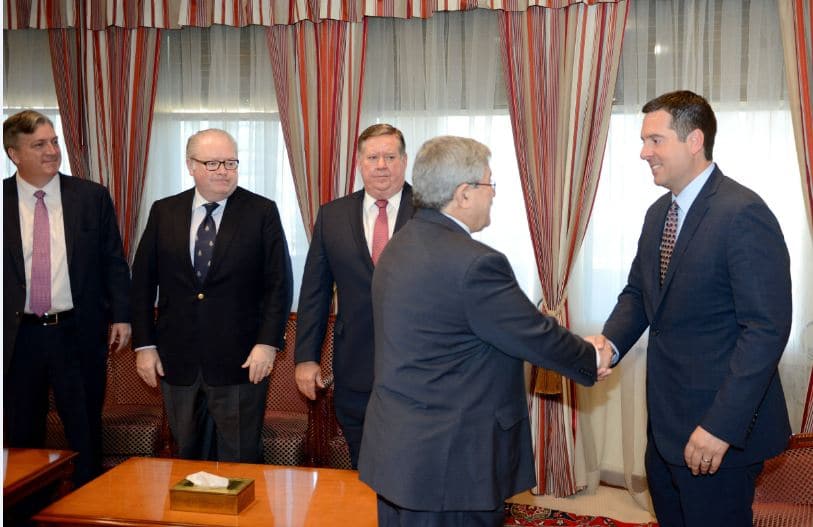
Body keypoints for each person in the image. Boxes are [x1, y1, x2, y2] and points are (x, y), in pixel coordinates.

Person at [358, 135, 612, 527]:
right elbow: (532, 334)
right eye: (489, 183)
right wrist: (591, 356)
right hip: (453, 464)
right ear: (463, 194)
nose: (493, 193)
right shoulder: (477, 264)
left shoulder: (398, 244)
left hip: (399, 453)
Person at [592, 90, 792, 527]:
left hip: (718, 434)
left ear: (694, 140)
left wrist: (721, 426)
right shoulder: (657, 214)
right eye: (643, 142)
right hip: (665, 429)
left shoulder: (743, 213)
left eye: (655, 140)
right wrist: (609, 345)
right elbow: (639, 294)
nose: (644, 153)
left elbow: (766, 330)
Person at [131, 128, 293, 463]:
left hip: (241, 362)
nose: (223, 171)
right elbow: (142, 283)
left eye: (230, 162)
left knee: (240, 459)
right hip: (178, 362)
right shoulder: (164, 212)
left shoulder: (261, 211)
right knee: (188, 460)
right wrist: (145, 346)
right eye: (213, 163)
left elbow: (279, 284)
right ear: (191, 165)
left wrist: (267, 343)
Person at [3, 110, 131, 485]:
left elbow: (114, 261)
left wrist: (122, 315)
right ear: (14, 153)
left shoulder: (91, 197)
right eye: (39, 145)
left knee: (84, 429)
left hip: (76, 332)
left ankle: (85, 503)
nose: (52, 151)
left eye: (54, 141)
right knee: (20, 434)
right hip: (17, 337)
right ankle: (24, 509)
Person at [294, 123, 415, 468]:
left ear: (404, 160)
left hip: (419, 372)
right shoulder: (332, 216)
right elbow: (315, 293)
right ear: (359, 163)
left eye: (390, 157)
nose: (381, 165)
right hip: (355, 370)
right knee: (363, 469)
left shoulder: (431, 212)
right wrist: (306, 357)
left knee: (413, 472)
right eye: (373, 157)